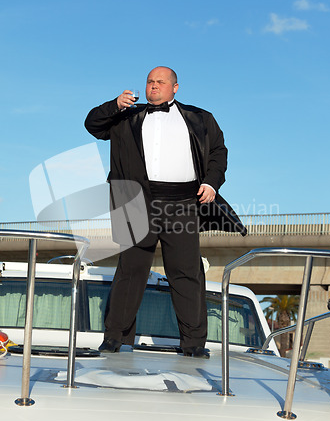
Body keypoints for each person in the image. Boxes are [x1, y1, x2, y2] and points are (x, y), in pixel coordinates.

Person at [85, 66, 246, 358]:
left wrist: (211, 182)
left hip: (184, 201)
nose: (153, 86)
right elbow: (93, 125)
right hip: (135, 200)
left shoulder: (200, 118)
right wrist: (114, 104)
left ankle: (194, 343)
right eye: (149, 81)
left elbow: (218, 152)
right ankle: (115, 338)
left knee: (186, 272)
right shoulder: (126, 116)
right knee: (130, 269)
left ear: (175, 88)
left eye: (160, 82)